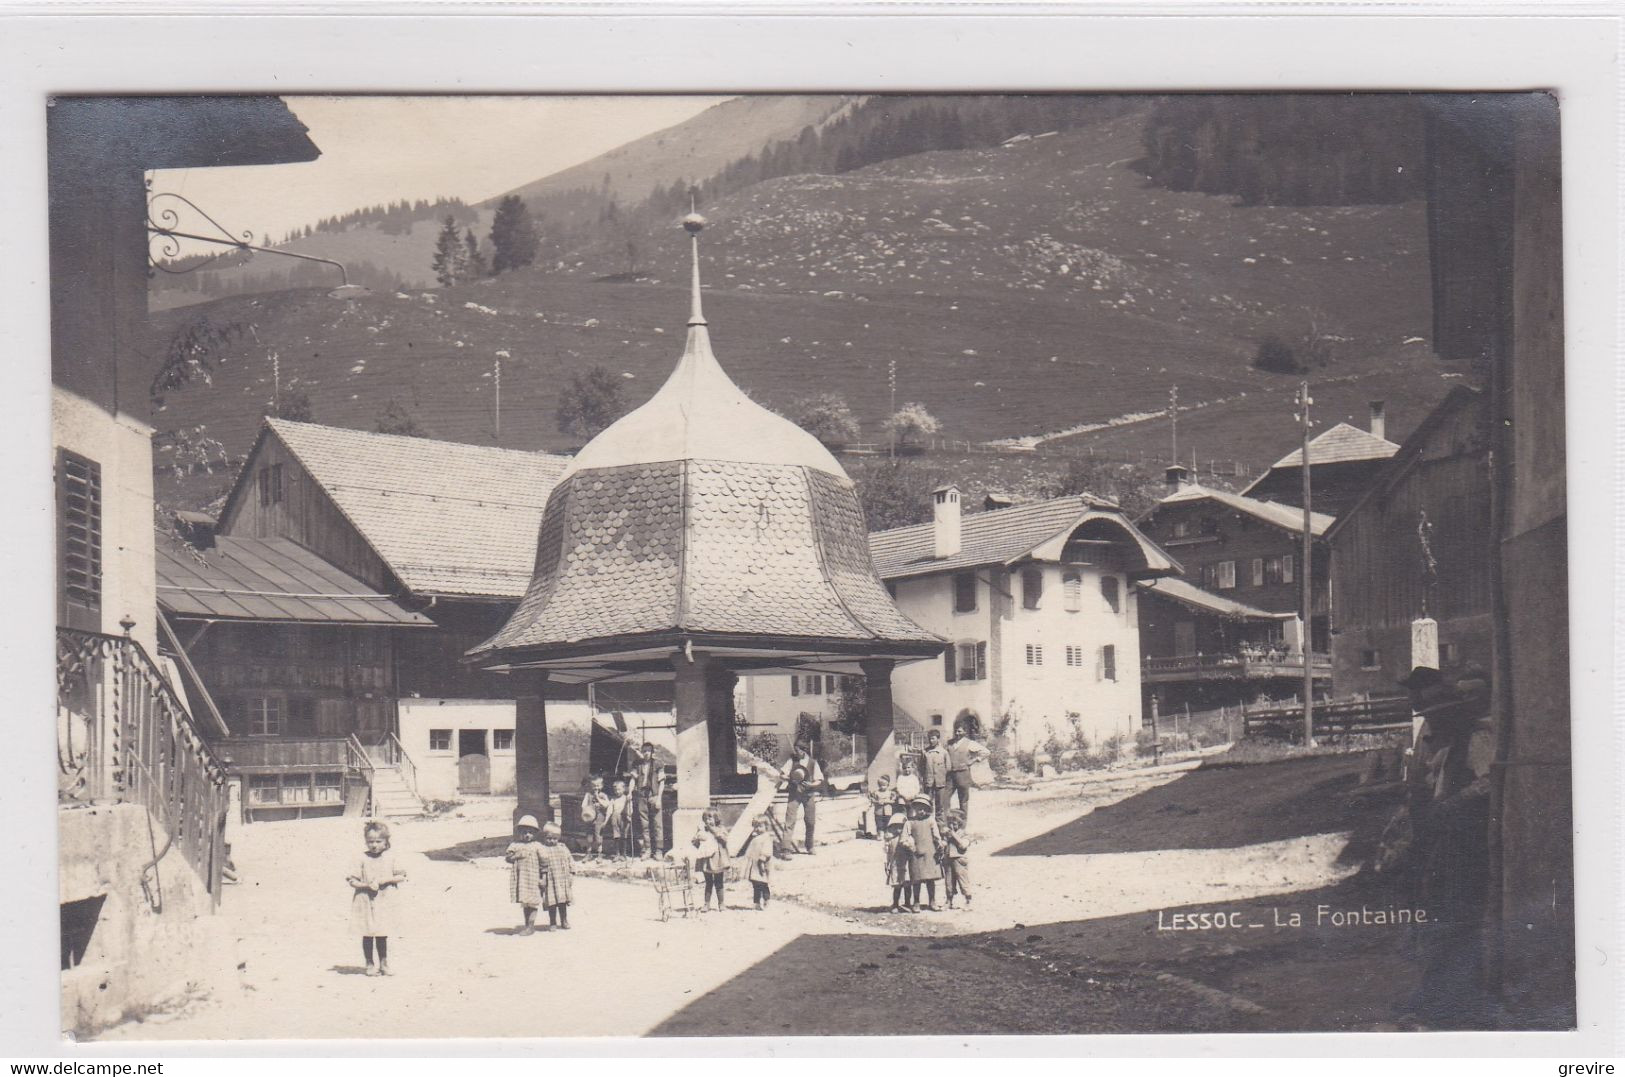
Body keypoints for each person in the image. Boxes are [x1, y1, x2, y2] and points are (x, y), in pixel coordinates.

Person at [346, 821, 407, 975]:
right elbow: (352, 880)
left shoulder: (390, 857)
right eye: (370, 841)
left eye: (378, 841)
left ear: (386, 842)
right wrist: (366, 884)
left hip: (384, 900)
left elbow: (401, 876)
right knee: (367, 933)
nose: (374, 845)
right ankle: (369, 964)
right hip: (365, 899)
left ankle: (384, 964)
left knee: (382, 933)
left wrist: (385, 880)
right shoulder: (361, 858)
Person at [781, 740, 825, 854]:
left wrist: (811, 784)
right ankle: (786, 849)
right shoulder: (792, 761)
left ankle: (810, 846)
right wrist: (791, 778)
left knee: (810, 821)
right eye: (795, 750)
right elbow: (782, 775)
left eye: (798, 750)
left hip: (808, 795)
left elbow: (819, 780)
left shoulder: (812, 763)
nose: (796, 752)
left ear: (803, 750)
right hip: (794, 794)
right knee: (789, 821)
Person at [504, 814, 545, 935]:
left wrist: (543, 878)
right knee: (525, 902)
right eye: (525, 832)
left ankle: (531, 926)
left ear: (535, 834)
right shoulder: (515, 845)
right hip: (521, 879)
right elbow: (508, 858)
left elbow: (544, 863)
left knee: (532, 902)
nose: (527, 835)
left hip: (533, 878)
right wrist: (516, 855)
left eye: (530, 832)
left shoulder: (538, 846)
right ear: (520, 833)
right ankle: (527, 924)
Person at [945, 720, 991, 824]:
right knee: (945, 799)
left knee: (963, 801)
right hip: (950, 776)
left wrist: (974, 760)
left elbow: (986, 752)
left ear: (965, 732)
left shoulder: (970, 743)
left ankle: (962, 825)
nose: (957, 733)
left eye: (960, 731)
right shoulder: (950, 743)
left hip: (963, 775)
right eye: (956, 731)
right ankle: (947, 823)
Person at [905, 795, 945, 911]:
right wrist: (910, 844)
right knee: (916, 879)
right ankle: (916, 902)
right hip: (916, 853)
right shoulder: (910, 822)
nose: (921, 811)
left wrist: (939, 845)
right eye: (918, 808)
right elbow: (906, 836)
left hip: (930, 852)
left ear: (927, 810)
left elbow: (936, 835)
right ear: (914, 809)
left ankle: (932, 901)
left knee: (930, 879)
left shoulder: (930, 820)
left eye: (923, 809)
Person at [691, 808, 731, 911]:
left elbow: (723, 838)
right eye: (705, 819)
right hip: (706, 860)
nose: (708, 821)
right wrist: (697, 839)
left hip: (718, 860)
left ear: (716, 819)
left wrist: (711, 830)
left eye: (710, 818)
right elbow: (696, 844)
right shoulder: (703, 830)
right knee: (708, 882)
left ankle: (721, 903)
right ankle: (706, 904)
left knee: (719, 882)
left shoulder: (720, 829)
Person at [630, 742, 666, 859]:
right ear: (641, 751)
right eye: (644, 750)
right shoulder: (637, 764)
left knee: (657, 824)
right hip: (642, 796)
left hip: (654, 796)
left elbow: (662, 782)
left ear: (652, 752)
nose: (646, 753)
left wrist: (659, 798)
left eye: (648, 751)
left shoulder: (658, 764)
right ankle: (647, 849)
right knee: (644, 824)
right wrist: (630, 793)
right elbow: (633, 779)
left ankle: (659, 851)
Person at [538, 821, 575, 930]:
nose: (551, 841)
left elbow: (570, 860)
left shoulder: (563, 848)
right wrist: (541, 878)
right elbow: (539, 864)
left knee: (562, 902)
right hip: (550, 881)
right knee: (552, 903)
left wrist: (571, 874)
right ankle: (552, 922)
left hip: (562, 880)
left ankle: (564, 920)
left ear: (558, 838)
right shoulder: (542, 849)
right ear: (544, 837)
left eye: (555, 838)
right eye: (549, 838)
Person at [740, 814, 775, 909]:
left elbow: (767, 850)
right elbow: (750, 850)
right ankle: (756, 903)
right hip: (754, 865)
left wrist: (762, 859)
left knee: (763, 883)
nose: (757, 829)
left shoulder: (766, 837)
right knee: (756, 884)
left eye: (760, 826)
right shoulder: (755, 838)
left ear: (766, 826)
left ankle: (766, 900)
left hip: (762, 864)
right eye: (755, 826)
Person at [941, 808, 972, 909]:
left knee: (963, 880)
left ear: (960, 823)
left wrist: (953, 834)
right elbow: (944, 843)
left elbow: (963, 845)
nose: (952, 826)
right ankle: (949, 900)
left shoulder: (964, 833)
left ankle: (968, 900)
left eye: (954, 824)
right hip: (948, 858)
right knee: (949, 881)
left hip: (959, 859)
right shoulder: (948, 834)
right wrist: (942, 843)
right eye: (950, 823)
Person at [884, 813, 914, 913]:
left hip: (905, 865)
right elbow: (888, 854)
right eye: (895, 827)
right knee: (897, 886)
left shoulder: (908, 839)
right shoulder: (890, 840)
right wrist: (887, 864)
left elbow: (912, 850)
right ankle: (895, 904)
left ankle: (907, 903)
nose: (898, 830)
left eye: (901, 827)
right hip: (895, 865)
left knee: (907, 884)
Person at [920, 728, 953, 819]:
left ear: (938, 739)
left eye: (933, 738)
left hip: (940, 782)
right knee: (927, 803)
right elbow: (921, 767)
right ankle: (928, 823)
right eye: (929, 738)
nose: (931, 741)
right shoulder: (925, 752)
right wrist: (925, 777)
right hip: (928, 782)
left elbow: (948, 767)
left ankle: (940, 825)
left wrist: (940, 775)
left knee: (940, 805)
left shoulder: (944, 752)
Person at [580, 775, 610, 860]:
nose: (596, 788)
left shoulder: (603, 795)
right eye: (594, 786)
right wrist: (588, 809)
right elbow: (583, 805)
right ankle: (588, 853)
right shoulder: (588, 795)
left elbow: (606, 804)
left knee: (598, 835)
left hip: (599, 818)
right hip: (590, 818)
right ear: (591, 786)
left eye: (598, 785)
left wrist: (598, 798)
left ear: (602, 786)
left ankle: (599, 854)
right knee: (589, 835)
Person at [859, 774, 893, 839]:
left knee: (887, 822)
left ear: (887, 785)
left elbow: (893, 800)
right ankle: (880, 834)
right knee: (879, 823)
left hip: (888, 811)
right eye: (880, 785)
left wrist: (887, 801)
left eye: (884, 785)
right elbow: (872, 799)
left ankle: (886, 833)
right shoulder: (876, 792)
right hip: (879, 811)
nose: (882, 787)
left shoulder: (890, 793)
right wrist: (877, 802)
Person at [606, 779, 633, 860]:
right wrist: (606, 819)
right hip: (615, 818)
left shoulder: (626, 798)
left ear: (624, 789)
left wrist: (629, 815)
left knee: (624, 836)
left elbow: (630, 809)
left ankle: (623, 854)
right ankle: (617, 854)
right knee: (616, 836)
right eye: (615, 790)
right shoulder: (613, 799)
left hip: (624, 818)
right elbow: (610, 809)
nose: (617, 791)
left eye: (619, 789)